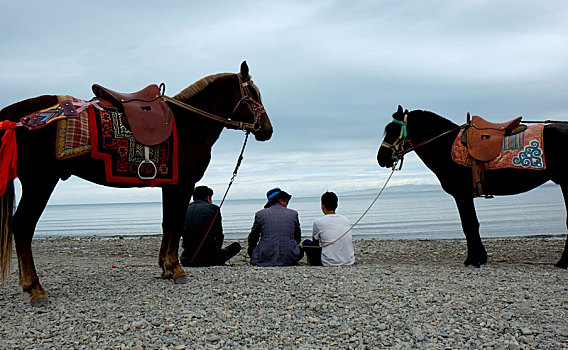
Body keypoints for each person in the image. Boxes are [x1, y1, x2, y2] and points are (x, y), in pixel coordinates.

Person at [180, 186, 241, 267]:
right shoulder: (214, 209)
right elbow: (219, 234)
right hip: (207, 259)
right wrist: (217, 249)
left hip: (186, 258)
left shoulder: (185, 209)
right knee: (236, 246)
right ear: (207, 197)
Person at [247, 187, 303, 266]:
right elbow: (297, 237)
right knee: (300, 250)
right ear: (280, 200)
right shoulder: (293, 214)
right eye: (286, 201)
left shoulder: (260, 214)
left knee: (252, 247)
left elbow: (253, 237)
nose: (287, 204)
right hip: (290, 258)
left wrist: (252, 249)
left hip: (264, 257)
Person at [304, 191, 355, 266]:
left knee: (306, 243)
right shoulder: (345, 219)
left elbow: (315, 244)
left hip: (328, 262)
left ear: (323, 206)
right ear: (337, 205)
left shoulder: (318, 221)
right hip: (348, 260)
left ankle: (311, 261)